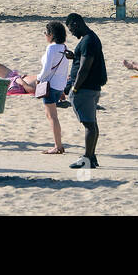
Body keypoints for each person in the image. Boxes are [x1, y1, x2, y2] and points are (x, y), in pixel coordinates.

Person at [62, 13, 107, 169]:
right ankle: (92, 157)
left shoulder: (88, 41)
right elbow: (84, 61)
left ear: (75, 24)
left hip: (85, 89)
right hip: (91, 88)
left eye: (71, 29)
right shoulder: (90, 39)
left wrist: (74, 88)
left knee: (89, 125)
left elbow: (84, 68)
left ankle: (87, 158)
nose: (72, 33)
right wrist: (74, 57)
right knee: (92, 123)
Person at [37, 21, 69, 155]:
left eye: (46, 33)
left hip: (50, 86)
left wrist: (39, 79)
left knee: (52, 117)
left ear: (51, 35)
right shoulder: (64, 47)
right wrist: (62, 89)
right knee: (52, 116)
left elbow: (46, 69)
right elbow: (64, 69)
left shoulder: (51, 48)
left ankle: (58, 146)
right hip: (59, 85)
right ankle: (58, 145)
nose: (45, 36)